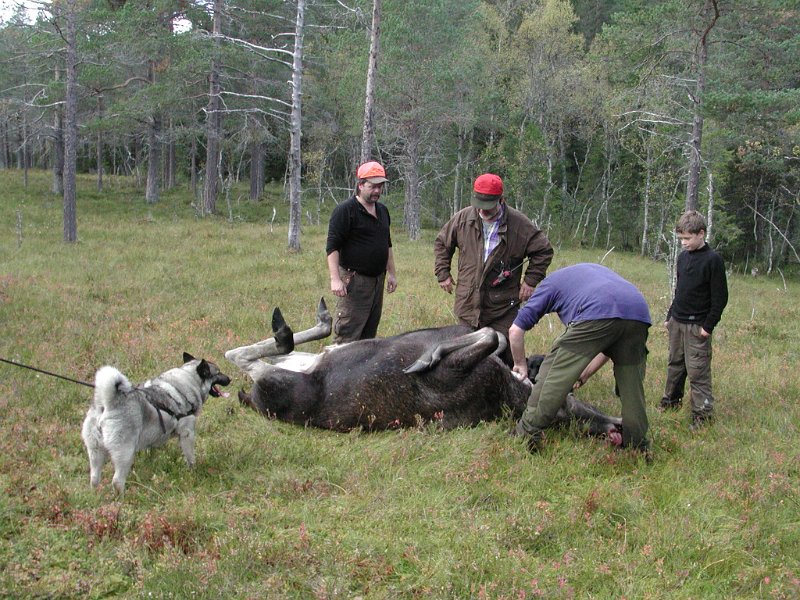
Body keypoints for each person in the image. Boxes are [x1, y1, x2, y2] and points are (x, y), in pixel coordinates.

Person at [508, 263, 652, 454]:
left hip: (597, 308)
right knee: (632, 388)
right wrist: (584, 374)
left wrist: (520, 364)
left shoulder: (548, 286)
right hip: (638, 312)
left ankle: (526, 433)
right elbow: (610, 345)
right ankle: (637, 445)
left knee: (551, 375)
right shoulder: (584, 276)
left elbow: (515, 331)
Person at [434, 173, 553, 344]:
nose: (482, 211)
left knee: (503, 351)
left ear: (501, 200)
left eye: (488, 206)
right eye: (479, 205)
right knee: (466, 353)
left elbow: (543, 250)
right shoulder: (463, 218)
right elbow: (442, 243)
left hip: (502, 308)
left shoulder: (519, 224)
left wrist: (530, 281)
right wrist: (443, 273)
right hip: (468, 303)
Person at [660, 210, 728, 430]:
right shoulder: (682, 258)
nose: (684, 243)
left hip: (698, 325)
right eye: (681, 238)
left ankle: (702, 416)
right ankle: (670, 402)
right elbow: (680, 290)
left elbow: (720, 297)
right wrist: (670, 316)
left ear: (701, 234)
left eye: (688, 238)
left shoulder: (713, 260)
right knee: (675, 365)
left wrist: (708, 326)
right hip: (677, 322)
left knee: (698, 371)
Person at [326, 161, 397, 343]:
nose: (377, 191)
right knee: (347, 333)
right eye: (372, 186)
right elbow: (332, 247)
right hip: (354, 281)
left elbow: (387, 244)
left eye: (380, 187)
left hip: (377, 282)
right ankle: (338, 362)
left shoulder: (382, 210)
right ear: (360, 185)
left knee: (368, 337)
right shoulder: (345, 210)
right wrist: (335, 279)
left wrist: (391, 273)